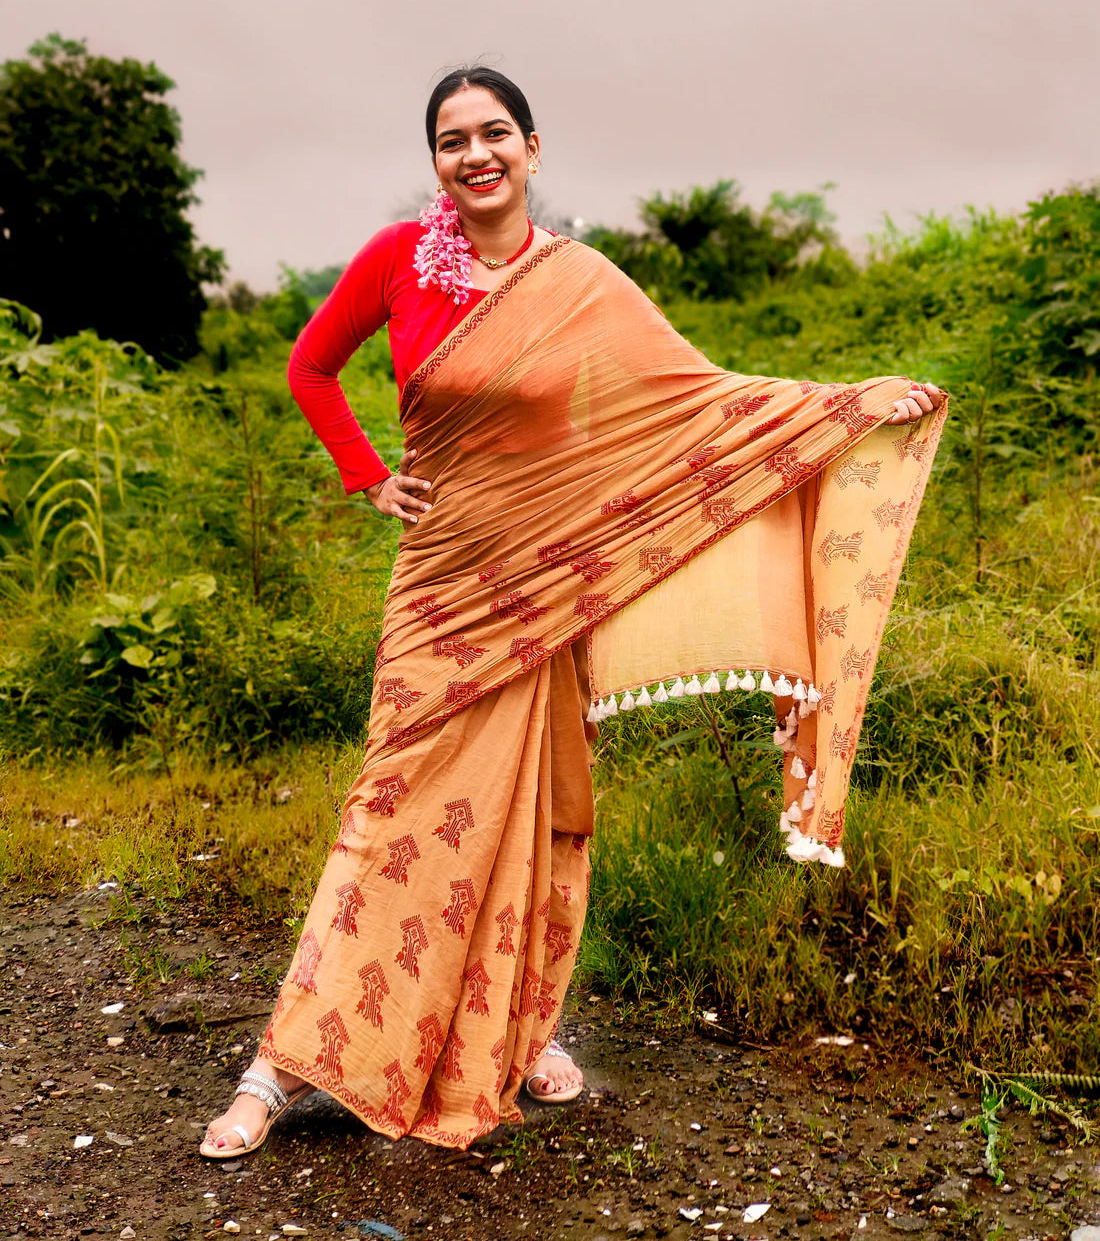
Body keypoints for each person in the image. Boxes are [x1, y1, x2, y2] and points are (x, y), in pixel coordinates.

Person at [201, 66, 945, 1159]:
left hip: (545, 588)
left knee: (538, 811)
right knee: (393, 808)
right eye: (451, 140)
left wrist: (846, 407)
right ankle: (284, 1064)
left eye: (493, 132)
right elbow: (311, 366)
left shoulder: (584, 283)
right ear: (435, 163)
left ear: (532, 149)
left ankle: (512, 1035)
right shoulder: (398, 261)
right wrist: (367, 475)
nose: (474, 154)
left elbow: (696, 401)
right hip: (442, 584)